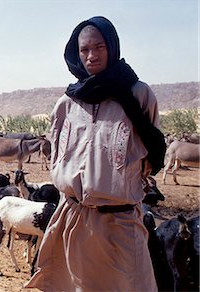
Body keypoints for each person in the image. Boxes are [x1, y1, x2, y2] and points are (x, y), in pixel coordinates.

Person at [25, 16, 166, 291]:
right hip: (72, 219)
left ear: (112, 47)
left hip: (119, 223)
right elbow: (57, 152)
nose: (91, 56)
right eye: (84, 49)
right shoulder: (67, 101)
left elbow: (153, 153)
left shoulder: (138, 95)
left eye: (98, 47)